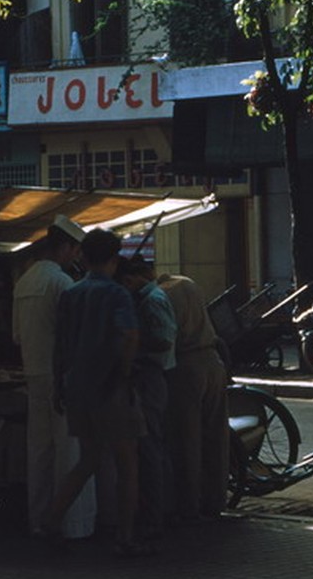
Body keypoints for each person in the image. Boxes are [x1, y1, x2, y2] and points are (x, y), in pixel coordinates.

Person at [44, 228, 149, 557]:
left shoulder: (71, 294)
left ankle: (51, 523)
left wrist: (58, 384)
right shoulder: (117, 294)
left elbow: (60, 345)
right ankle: (126, 537)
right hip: (112, 388)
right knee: (127, 465)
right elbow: (130, 334)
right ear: (114, 259)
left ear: (84, 257)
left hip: (77, 388)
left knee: (87, 461)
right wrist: (124, 371)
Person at [12, 215, 95, 540]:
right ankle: (73, 524)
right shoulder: (61, 283)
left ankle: (39, 518)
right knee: (69, 450)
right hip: (60, 376)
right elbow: (74, 337)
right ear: (65, 247)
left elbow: (17, 336)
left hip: (33, 373)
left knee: (40, 450)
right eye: (75, 250)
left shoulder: (24, 282)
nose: (76, 258)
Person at [157, 270, 229, 522]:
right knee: (216, 436)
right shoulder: (188, 283)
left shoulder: (161, 294)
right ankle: (216, 499)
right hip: (211, 360)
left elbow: (166, 336)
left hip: (185, 365)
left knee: (187, 439)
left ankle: (189, 505)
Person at [116, 256, 176, 539]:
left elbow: (164, 340)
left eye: (128, 282)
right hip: (152, 377)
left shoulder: (151, 300)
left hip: (152, 376)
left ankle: (155, 515)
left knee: (151, 447)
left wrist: (131, 341)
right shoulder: (150, 296)